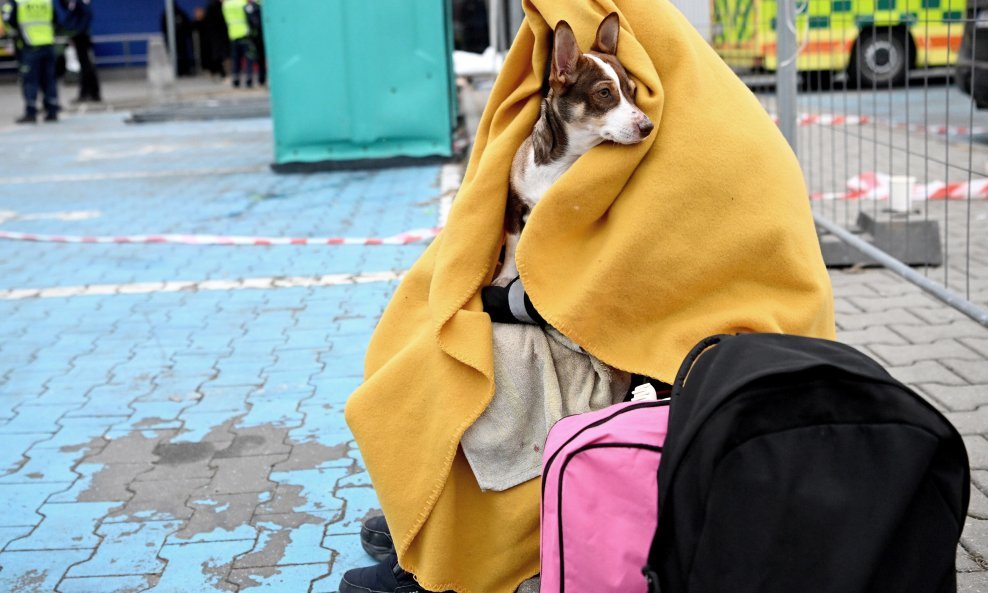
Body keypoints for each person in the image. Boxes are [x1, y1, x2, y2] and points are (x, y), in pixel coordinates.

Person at [2, 0, 60, 123]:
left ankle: (31, 112)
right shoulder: (46, 1)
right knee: (49, 79)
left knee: (30, 80)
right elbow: (56, 21)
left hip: (30, 46)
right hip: (48, 44)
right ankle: (52, 111)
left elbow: (8, 21)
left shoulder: (18, 2)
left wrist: (15, 35)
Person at [63, 0, 100, 103]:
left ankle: (91, 93)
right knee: (86, 65)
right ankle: (90, 93)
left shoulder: (79, 3)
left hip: (81, 37)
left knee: (86, 65)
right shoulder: (75, 3)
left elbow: (87, 14)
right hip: (80, 35)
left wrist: (77, 32)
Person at [222, 0, 252, 88]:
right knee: (248, 57)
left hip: (233, 34)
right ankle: (249, 78)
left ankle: (235, 78)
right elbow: (250, 16)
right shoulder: (243, 3)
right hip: (245, 33)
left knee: (235, 59)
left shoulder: (226, 4)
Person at [197, 0, 229, 79]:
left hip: (214, 35)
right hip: (218, 35)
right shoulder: (216, 6)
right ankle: (222, 73)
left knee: (217, 54)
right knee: (221, 54)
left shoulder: (210, 6)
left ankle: (219, 72)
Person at [245, 0, 264, 86]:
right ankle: (259, 79)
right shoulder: (251, 6)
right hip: (253, 36)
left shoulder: (252, 6)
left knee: (254, 58)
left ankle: (256, 78)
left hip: (253, 36)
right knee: (254, 57)